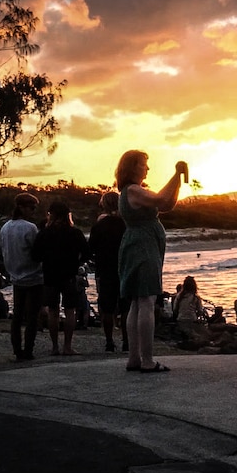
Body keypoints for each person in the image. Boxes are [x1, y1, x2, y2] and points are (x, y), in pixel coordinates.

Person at [116, 150, 186, 373]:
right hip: (143, 246)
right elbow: (162, 201)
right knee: (146, 300)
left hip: (138, 244)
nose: (148, 168)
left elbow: (168, 203)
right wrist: (176, 174)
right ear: (133, 166)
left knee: (137, 302)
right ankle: (146, 360)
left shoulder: (130, 192)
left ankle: (135, 358)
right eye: (144, 164)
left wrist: (178, 179)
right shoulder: (134, 190)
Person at [32, 200, 90, 356]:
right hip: (69, 274)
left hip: (50, 274)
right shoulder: (75, 233)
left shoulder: (44, 233)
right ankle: (68, 346)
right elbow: (87, 252)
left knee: (53, 311)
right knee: (70, 310)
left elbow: (35, 255)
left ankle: (55, 347)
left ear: (51, 215)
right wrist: (77, 262)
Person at [0, 193, 44, 360]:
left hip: (15, 276)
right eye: (32, 208)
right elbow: (36, 252)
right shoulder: (30, 228)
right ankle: (28, 350)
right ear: (22, 208)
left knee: (17, 315)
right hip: (33, 276)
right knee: (32, 316)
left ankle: (17, 349)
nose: (33, 211)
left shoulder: (4, 228)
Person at [88, 191, 128, 352]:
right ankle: (127, 341)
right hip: (124, 268)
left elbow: (90, 248)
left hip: (104, 270)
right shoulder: (125, 224)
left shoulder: (98, 226)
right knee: (126, 308)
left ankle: (109, 341)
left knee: (107, 308)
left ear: (103, 204)